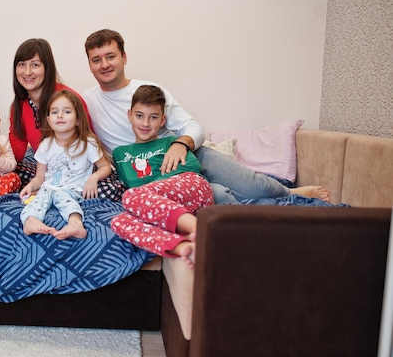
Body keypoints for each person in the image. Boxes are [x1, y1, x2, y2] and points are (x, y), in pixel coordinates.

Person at [82, 29, 330, 204]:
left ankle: (291, 194)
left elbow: (192, 126)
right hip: (153, 173)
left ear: (124, 57)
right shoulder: (87, 100)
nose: (104, 64)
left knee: (256, 186)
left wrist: (181, 144)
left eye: (110, 56)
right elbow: (59, 112)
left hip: (186, 153)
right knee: (220, 195)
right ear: (90, 65)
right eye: (96, 60)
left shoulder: (148, 89)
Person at [111, 85, 214, 268]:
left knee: (133, 195)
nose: (145, 124)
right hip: (162, 207)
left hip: (191, 187)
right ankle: (183, 247)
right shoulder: (120, 153)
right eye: (139, 115)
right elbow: (126, 185)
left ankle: (202, 231)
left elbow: (193, 165)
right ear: (129, 115)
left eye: (153, 117)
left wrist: (154, 186)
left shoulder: (170, 142)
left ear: (162, 120)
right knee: (119, 221)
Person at [9, 38, 124, 201]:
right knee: (12, 173)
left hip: (80, 171)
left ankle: (56, 195)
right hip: (49, 170)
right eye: (21, 65)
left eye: (35, 65)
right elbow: (16, 148)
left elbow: (88, 139)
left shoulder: (69, 100)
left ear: (47, 68)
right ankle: (48, 192)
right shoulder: (18, 106)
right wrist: (0, 163)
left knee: (110, 189)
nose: (27, 72)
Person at [19, 90, 112, 240]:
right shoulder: (45, 145)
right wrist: (30, 186)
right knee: (40, 196)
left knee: (60, 194)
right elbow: (40, 177)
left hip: (73, 190)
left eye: (67, 111)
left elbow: (105, 167)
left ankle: (75, 223)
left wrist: (93, 178)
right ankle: (30, 220)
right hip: (49, 188)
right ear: (49, 120)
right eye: (55, 112)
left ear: (78, 120)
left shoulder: (88, 143)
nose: (60, 115)